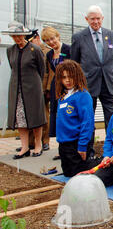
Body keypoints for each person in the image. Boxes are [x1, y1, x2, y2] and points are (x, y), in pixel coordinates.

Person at [1, 22, 46, 159]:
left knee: (35, 117)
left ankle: (38, 145)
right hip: (16, 90)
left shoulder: (35, 50)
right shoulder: (11, 51)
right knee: (20, 119)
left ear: (24, 35)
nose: (17, 39)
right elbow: (13, 67)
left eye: (19, 35)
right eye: (14, 36)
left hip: (32, 88)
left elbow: (41, 69)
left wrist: (37, 84)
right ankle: (24, 147)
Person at [71, 5, 113, 132]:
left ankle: (111, 147)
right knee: (87, 118)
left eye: (98, 18)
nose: (95, 22)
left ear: (102, 18)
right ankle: (88, 150)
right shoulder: (79, 37)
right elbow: (74, 63)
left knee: (112, 118)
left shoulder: (111, 35)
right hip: (88, 84)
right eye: (92, 19)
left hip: (108, 83)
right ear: (86, 19)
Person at [55, 60, 101, 177]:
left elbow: (87, 123)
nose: (67, 80)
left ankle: (104, 163)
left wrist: (82, 146)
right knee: (68, 173)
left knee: (81, 174)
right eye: (64, 77)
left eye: (71, 76)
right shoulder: (63, 97)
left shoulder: (83, 95)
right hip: (64, 145)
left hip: (77, 144)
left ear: (78, 76)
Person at [41, 26, 71, 160]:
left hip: (68, 86)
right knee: (57, 117)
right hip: (56, 87)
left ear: (58, 36)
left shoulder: (68, 49)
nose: (51, 42)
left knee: (67, 116)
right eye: (47, 40)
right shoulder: (49, 54)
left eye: (52, 38)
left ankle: (70, 148)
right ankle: (61, 148)